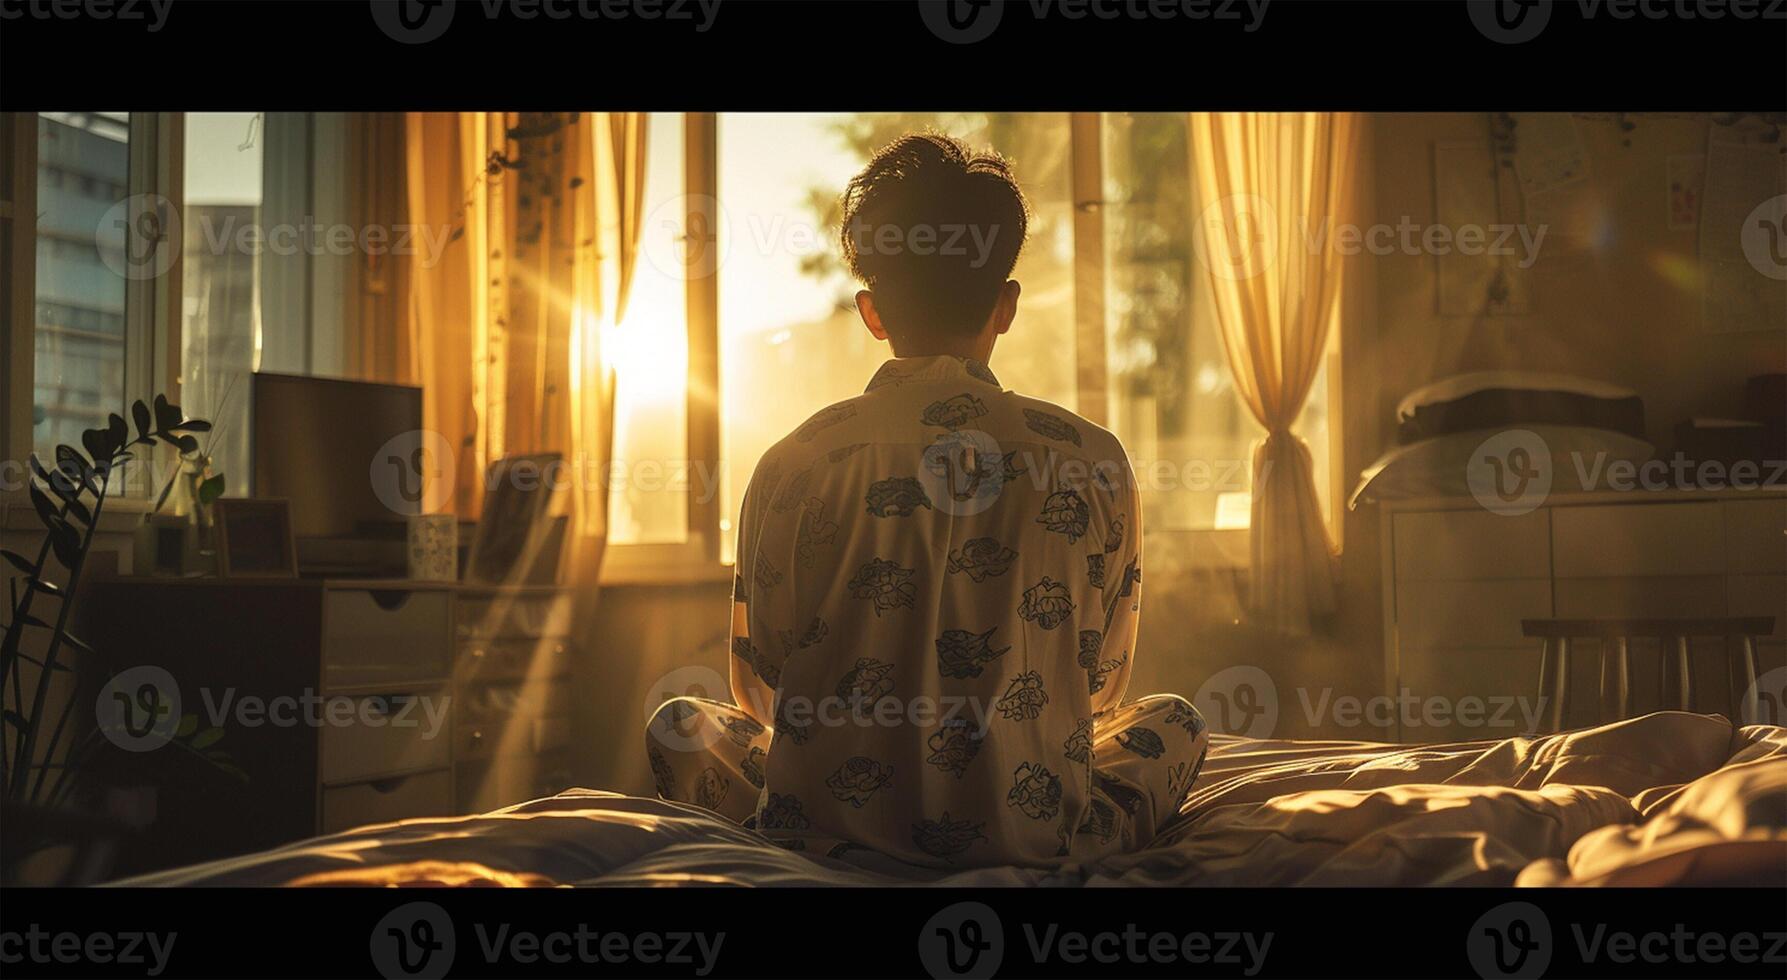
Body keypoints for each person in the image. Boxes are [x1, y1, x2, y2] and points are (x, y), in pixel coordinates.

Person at [646, 133, 1207, 868]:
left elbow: (760, 690)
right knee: (1177, 722)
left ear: (872, 312)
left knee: (680, 723)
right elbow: (1101, 687)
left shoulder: (794, 460)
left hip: (821, 824)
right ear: (1004, 307)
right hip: (1027, 832)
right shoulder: (1091, 458)